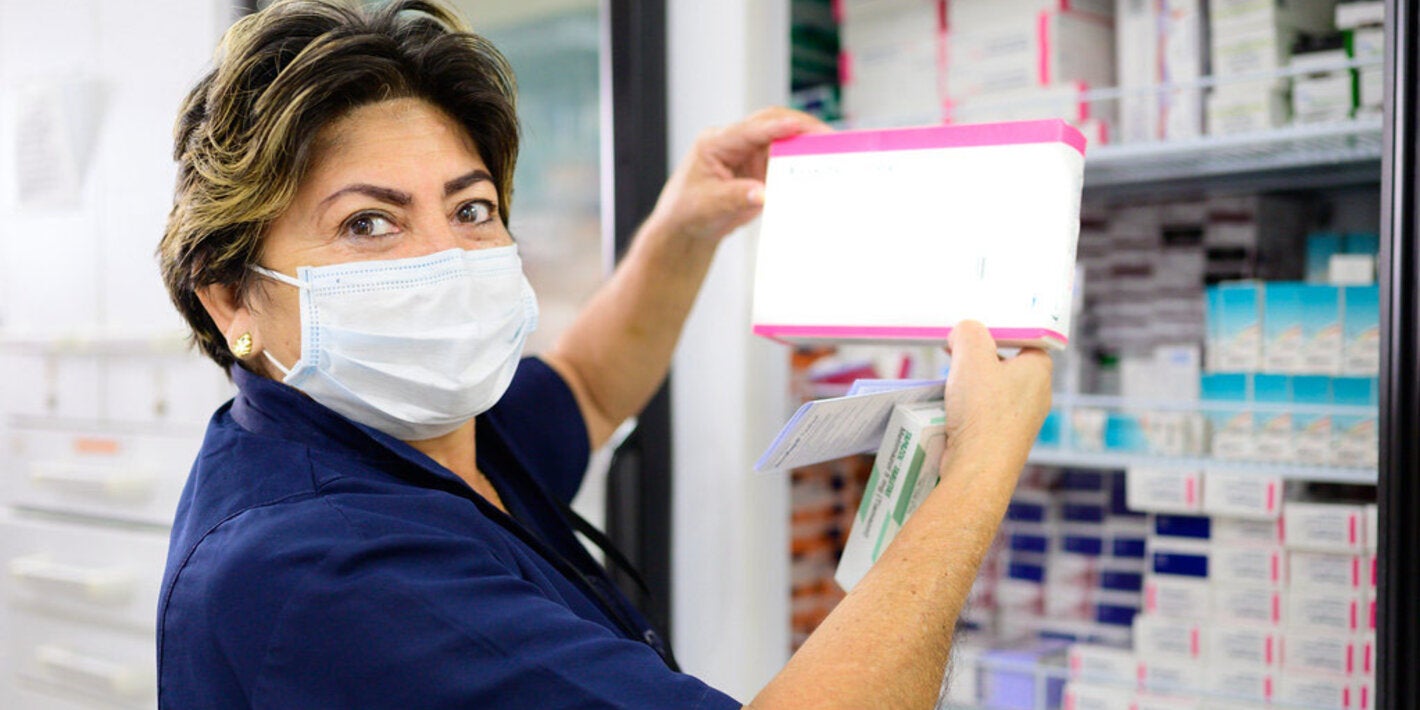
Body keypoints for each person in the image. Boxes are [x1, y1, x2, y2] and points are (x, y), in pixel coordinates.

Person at [155, 1, 1052, 708]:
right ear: (230, 297)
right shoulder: (320, 567)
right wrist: (976, 470)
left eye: (471, 209)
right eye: (368, 223)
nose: (446, 259)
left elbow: (586, 385)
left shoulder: (416, 430)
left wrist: (685, 226)